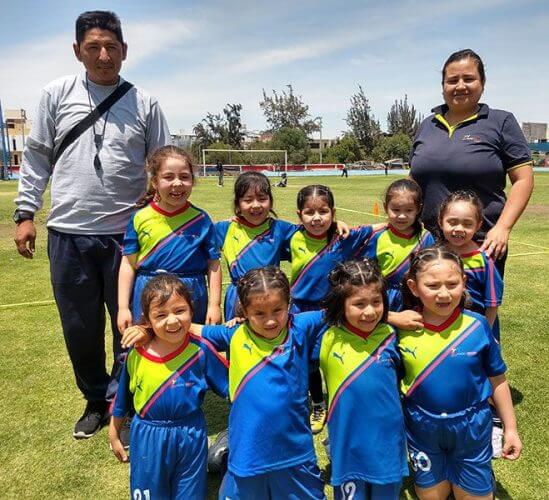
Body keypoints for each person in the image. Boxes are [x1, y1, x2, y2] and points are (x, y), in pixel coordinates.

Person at [13, 10, 171, 439]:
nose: (104, 56)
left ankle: (125, 398)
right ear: (77, 50)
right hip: (69, 235)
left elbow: (162, 161)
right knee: (79, 328)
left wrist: (157, 201)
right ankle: (95, 399)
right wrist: (26, 212)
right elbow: (38, 157)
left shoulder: (145, 102)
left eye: (112, 47)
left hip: (128, 238)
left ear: (125, 51)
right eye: (93, 47)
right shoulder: (56, 94)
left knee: (132, 323)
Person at [399, 247, 522, 500]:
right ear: (413, 287)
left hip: (471, 426)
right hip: (422, 427)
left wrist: (510, 428)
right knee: (432, 496)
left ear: (464, 282)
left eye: (452, 284)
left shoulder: (476, 326)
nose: (443, 294)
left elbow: (497, 380)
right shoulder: (403, 329)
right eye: (432, 286)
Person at [193, 267, 326, 499]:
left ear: (289, 304)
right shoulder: (234, 334)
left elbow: (343, 311)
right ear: (244, 311)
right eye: (260, 313)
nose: (271, 320)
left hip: (296, 452)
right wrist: (146, 329)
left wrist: (393, 316)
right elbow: (188, 328)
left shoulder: (300, 326)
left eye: (278, 310)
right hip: (248, 454)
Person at [410, 49, 534, 276]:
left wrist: (502, 228)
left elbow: (523, 179)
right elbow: (413, 180)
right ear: (443, 86)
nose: (460, 86)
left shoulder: (501, 121)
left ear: (482, 83)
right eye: (452, 80)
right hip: (427, 241)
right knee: (428, 307)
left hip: (480, 242)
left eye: (469, 79)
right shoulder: (427, 125)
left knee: (476, 309)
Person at [109, 274, 228, 499]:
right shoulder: (137, 353)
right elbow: (122, 397)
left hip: (190, 434)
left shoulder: (201, 351)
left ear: (192, 311)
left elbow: (234, 387)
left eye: (179, 311)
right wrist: (114, 432)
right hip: (147, 436)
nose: (172, 321)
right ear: (147, 320)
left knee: (189, 493)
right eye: (161, 315)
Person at [312, 260, 408, 500]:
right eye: (359, 304)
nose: (370, 311)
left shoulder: (391, 335)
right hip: (347, 445)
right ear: (340, 305)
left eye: (376, 302)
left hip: (387, 444)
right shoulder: (326, 337)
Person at [290, 185, 372, 434]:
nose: (317, 218)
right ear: (299, 215)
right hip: (300, 310)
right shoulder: (291, 236)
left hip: (332, 310)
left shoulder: (343, 238)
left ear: (333, 212)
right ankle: (317, 402)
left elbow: (374, 229)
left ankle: (342, 400)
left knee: (334, 357)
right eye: (309, 212)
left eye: (323, 212)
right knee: (308, 360)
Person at [117, 146, 221, 334]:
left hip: (191, 293)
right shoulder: (140, 218)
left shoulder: (202, 220)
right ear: (155, 181)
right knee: (148, 348)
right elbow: (128, 264)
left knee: (191, 351)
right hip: (148, 291)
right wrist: (123, 307)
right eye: (168, 177)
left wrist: (215, 305)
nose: (177, 183)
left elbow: (213, 264)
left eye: (184, 176)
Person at [215, 171, 297, 321]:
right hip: (237, 298)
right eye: (248, 200)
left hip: (270, 296)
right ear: (238, 204)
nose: (256, 205)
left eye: (262, 199)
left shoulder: (280, 228)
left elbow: (313, 234)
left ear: (270, 202)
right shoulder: (225, 228)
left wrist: (336, 225)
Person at [356, 179, 435, 312]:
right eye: (396, 210)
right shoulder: (378, 237)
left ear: (418, 209)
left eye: (409, 210)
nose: (402, 216)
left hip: (418, 297)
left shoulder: (426, 237)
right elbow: (365, 272)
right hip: (386, 299)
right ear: (385, 207)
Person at [438, 191, 503, 338]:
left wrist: (485, 334)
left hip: (476, 330)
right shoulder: (435, 255)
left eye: (467, 224)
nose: (459, 228)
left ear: (478, 225)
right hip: (441, 330)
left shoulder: (484, 259)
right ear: (440, 221)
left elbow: (492, 303)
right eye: (452, 222)